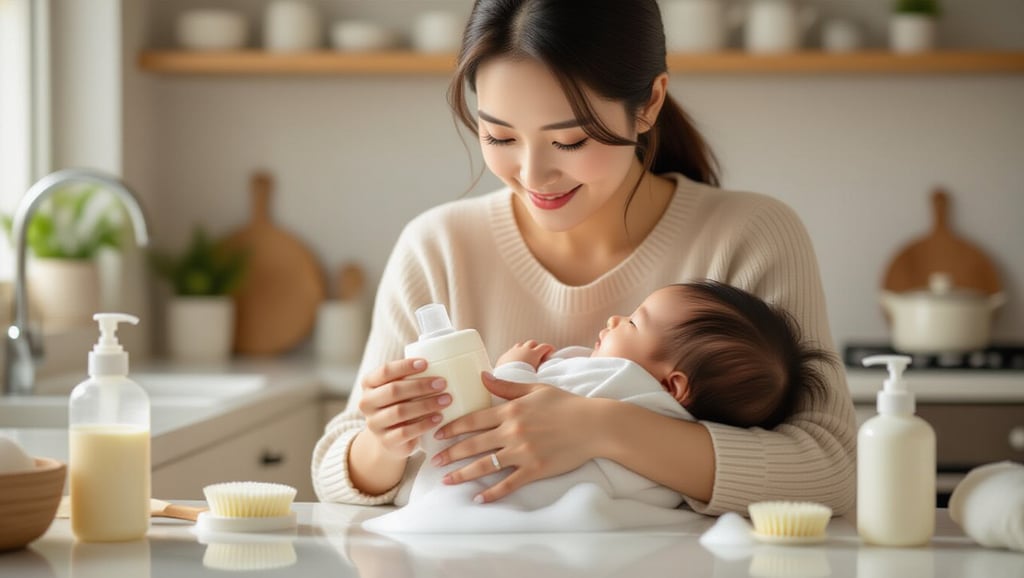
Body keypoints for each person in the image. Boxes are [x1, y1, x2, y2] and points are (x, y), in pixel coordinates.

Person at [312, 0, 856, 516]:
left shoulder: (750, 235)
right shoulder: (438, 246)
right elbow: (337, 472)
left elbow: (828, 469)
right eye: (498, 135)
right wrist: (384, 441)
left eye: (570, 141)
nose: (532, 175)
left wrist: (602, 428)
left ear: (650, 103)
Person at [495, 280, 835, 432]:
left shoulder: (618, 382)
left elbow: (512, 403)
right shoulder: (672, 428)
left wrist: (515, 365)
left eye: (631, 322)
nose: (614, 319)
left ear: (672, 385)